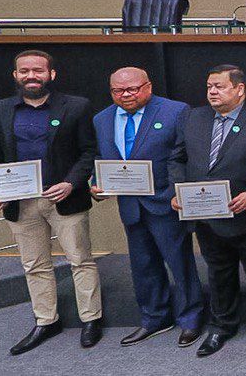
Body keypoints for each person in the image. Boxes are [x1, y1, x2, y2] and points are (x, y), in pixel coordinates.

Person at [0, 50, 103, 354]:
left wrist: (71, 183)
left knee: (80, 260)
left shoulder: (76, 106)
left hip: (64, 197)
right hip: (21, 202)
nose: (31, 76)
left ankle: (91, 319)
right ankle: (46, 320)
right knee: (34, 264)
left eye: (38, 70)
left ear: (51, 75)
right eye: (24, 71)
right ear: (15, 76)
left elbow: (88, 151)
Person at [168, 65, 246, 357]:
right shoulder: (193, 118)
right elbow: (177, 157)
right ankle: (222, 326)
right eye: (209, 86)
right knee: (218, 273)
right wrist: (177, 189)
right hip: (207, 216)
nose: (212, 92)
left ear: (239, 89)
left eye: (219, 86)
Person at [89, 67, 203, 348]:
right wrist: (95, 181)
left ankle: (191, 319)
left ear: (148, 87)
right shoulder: (102, 119)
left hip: (166, 202)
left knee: (180, 263)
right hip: (129, 204)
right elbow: (99, 158)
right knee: (142, 266)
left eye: (133, 89)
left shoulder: (175, 111)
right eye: (118, 90)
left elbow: (185, 154)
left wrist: (181, 192)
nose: (126, 95)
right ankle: (154, 318)